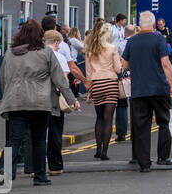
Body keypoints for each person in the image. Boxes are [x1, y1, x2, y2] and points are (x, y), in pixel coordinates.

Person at [0, 19, 78, 186]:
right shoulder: (45, 53)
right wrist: (71, 100)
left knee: (14, 139)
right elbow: (59, 79)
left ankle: (5, 171)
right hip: (39, 102)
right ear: (39, 35)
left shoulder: (10, 53)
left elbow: (3, 77)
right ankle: (40, 176)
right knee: (39, 138)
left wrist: (7, 95)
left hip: (15, 100)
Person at [121, 10, 172, 172]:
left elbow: (124, 65)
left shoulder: (131, 41)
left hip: (139, 90)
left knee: (141, 126)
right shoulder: (158, 39)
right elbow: (166, 64)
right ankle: (163, 157)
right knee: (163, 123)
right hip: (159, 88)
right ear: (153, 25)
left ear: (140, 24)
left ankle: (144, 163)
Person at [43, 27, 86, 176]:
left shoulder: (36, 55)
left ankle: (35, 167)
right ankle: (55, 166)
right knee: (55, 133)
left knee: (38, 135)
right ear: (55, 43)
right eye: (58, 43)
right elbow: (63, 81)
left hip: (38, 99)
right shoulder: (59, 57)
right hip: (54, 100)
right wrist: (72, 100)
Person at [83, 19, 124, 160]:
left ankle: (97, 149)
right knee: (108, 119)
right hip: (111, 83)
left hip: (97, 84)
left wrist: (89, 90)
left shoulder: (89, 49)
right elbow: (118, 69)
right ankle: (105, 152)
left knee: (99, 118)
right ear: (106, 33)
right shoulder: (112, 48)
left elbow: (88, 73)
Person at [115, 24, 135, 144]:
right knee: (136, 106)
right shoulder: (139, 44)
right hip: (137, 77)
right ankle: (135, 132)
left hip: (123, 77)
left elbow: (119, 62)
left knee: (122, 105)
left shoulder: (120, 45)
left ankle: (121, 133)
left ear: (124, 33)